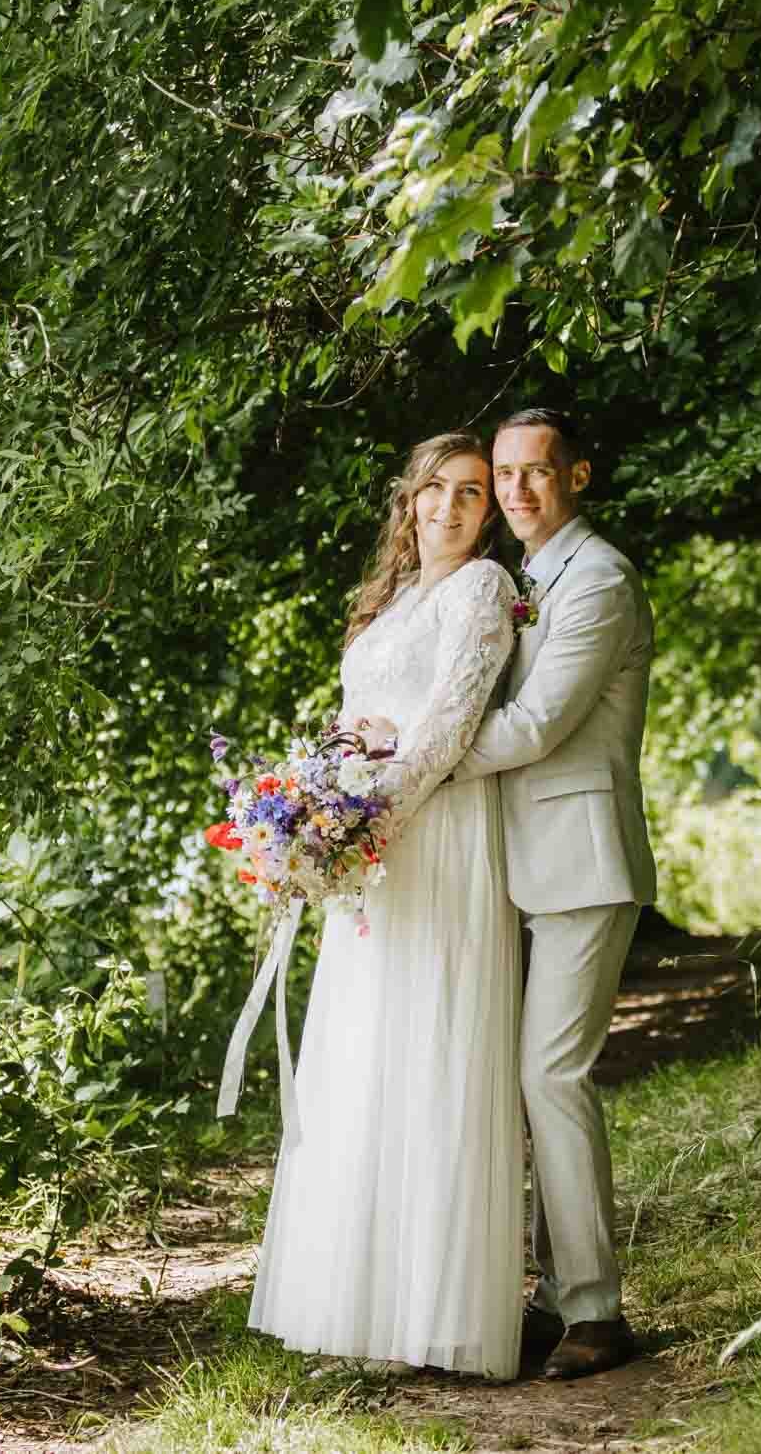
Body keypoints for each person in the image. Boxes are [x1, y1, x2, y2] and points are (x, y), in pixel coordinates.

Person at [246, 430, 526, 1379]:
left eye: (472, 493)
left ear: (490, 513)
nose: (449, 507)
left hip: (434, 838)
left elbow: (448, 726)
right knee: (367, 1051)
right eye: (435, 490)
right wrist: (318, 796)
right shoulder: (392, 601)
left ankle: (435, 1310)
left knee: (432, 1045)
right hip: (374, 851)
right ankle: (362, 1301)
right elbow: (363, 721)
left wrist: (358, 822)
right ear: (409, 502)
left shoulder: (482, 592)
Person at [454, 407, 655, 1381]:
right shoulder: (524, 578)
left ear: (578, 475)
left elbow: (534, 724)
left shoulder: (601, 578)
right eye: (502, 475)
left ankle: (597, 1310)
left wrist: (417, 764)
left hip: (582, 858)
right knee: (523, 1079)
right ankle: (551, 1294)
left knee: (551, 1076)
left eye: (537, 471)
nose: (516, 490)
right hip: (518, 860)